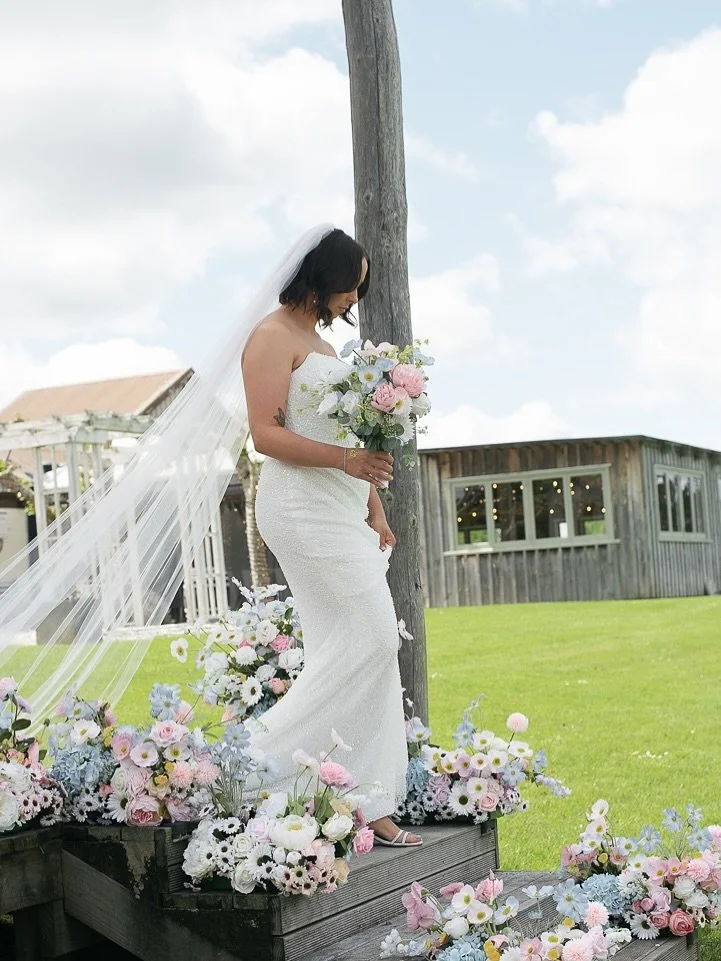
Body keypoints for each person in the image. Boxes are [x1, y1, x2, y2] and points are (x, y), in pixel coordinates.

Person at [241, 228, 421, 847]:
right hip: (298, 507)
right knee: (373, 635)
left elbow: (352, 439)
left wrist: (373, 504)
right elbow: (265, 434)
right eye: (351, 287)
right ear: (320, 278)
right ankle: (254, 765)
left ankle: (363, 799)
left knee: (345, 646)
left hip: (345, 508)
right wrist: (346, 463)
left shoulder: (320, 344)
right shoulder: (270, 337)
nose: (354, 300)